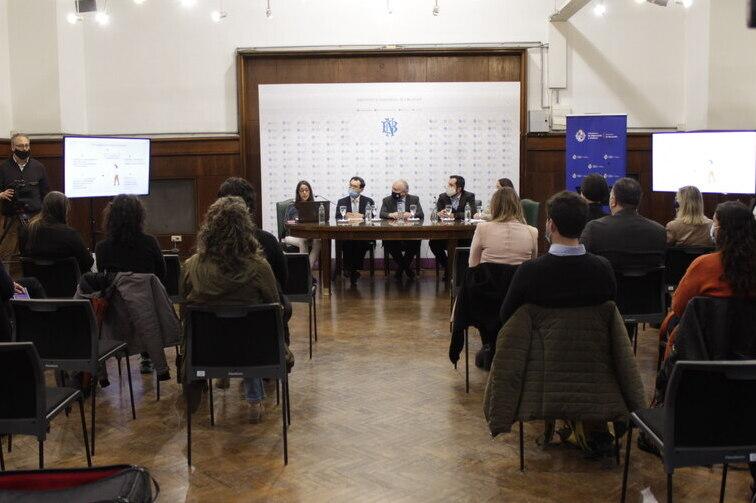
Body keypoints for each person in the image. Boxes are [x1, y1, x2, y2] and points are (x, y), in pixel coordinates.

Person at [182, 196, 280, 423]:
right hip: (254, 353)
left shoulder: (192, 266)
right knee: (251, 328)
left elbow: (185, 309)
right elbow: (274, 309)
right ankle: (255, 399)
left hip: (207, 352)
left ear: (209, 228)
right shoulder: (259, 267)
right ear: (246, 228)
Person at [499, 191, 616, 327]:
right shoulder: (603, 269)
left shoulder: (529, 271)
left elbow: (507, 315)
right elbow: (609, 313)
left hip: (542, 346)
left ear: (551, 225)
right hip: (592, 346)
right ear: (584, 225)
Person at [659, 200, 756, 356]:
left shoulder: (704, 264)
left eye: (715, 223)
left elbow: (678, 306)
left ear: (722, 230)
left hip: (703, 351)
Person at [95, 194, 166, 375]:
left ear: (110, 218)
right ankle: (147, 355)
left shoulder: (102, 249)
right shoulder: (150, 243)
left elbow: (104, 283)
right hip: (147, 314)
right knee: (145, 299)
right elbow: (161, 276)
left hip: (115, 316)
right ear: (139, 217)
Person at [580, 177, 666, 271]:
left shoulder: (594, 229)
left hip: (607, 285)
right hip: (648, 285)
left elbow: (583, 264)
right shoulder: (659, 232)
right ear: (638, 201)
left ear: (613, 201)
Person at [0, 133, 50, 272]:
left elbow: (46, 193)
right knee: (6, 252)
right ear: (12, 147)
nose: (24, 149)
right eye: (20, 146)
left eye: (27, 145)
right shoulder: (3, 167)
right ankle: (6, 286)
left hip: (35, 217)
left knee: (36, 250)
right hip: (11, 217)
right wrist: (1, 194)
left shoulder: (39, 167)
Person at [19, 191, 93, 273]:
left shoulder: (27, 230)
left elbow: (24, 257)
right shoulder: (69, 234)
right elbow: (88, 263)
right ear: (64, 210)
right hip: (66, 283)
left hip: (35, 282)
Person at [468, 187, 537, 268]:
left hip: (488, 279)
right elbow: (532, 266)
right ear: (518, 206)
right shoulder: (533, 232)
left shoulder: (482, 229)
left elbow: (473, 265)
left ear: (494, 206)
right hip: (520, 280)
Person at [429, 175, 476, 274]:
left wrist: (454, 215)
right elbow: (435, 215)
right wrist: (438, 214)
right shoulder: (443, 196)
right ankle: (449, 268)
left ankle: (460, 273)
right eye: (448, 184)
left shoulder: (469, 196)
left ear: (459, 189)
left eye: (451, 185)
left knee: (466, 244)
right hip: (445, 233)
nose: (448, 187)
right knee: (433, 243)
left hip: (463, 235)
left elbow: (472, 213)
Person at [379, 179, 424, 280]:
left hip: (410, 233)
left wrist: (411, 214)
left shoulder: (414, 199)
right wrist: (391, 214)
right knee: (388, 242)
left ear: (405, 192)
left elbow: (421, 214)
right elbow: (382, 214)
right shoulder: (387, 200)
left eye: (396, 190)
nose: (393, 191)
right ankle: (407, 269)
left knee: (415, 242)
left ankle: (401, 269)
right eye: (393, 188)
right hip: (393, 234)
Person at [335, 176, 375, 285]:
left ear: (361, 189)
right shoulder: (342, 202)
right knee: (349, 242)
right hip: (347, 234)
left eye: (355, 187)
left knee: (359, 242)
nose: (351, 188)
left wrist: (359, 216)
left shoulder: (368, 201)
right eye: (350, 186)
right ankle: (353, 271)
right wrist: (348, 216)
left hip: (364, 235)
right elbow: (338, 217)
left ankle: (350, 270)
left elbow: (371, 216)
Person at [282, 180, 321, 269]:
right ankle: (306, 274)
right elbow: (285, 224)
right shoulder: (291, 206)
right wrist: (296, 221)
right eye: (301, 190)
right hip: (292, 236)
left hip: (310, 236)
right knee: (303, 240)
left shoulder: (314, 207)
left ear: (310, 192)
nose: (304, 192)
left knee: (318, 240)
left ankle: (306, 272)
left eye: (307, 190)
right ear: (298, 192)